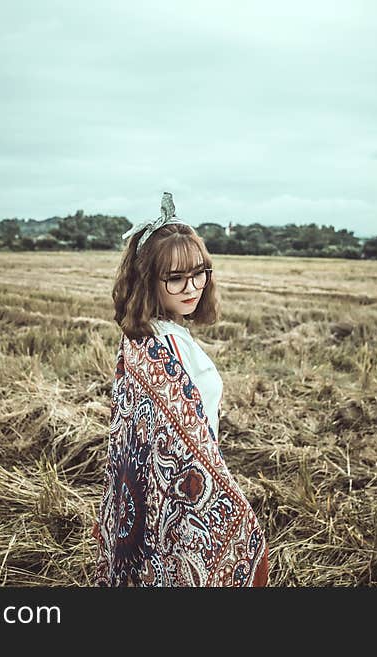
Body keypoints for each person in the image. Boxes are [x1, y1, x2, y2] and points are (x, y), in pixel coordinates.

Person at [92, 192, 269, 587]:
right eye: (175, 278)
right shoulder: (161, 345)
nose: (192, 287)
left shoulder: (146, 338)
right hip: (179, 497)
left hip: (163, 499)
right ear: (147, 280)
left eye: (199, 272)